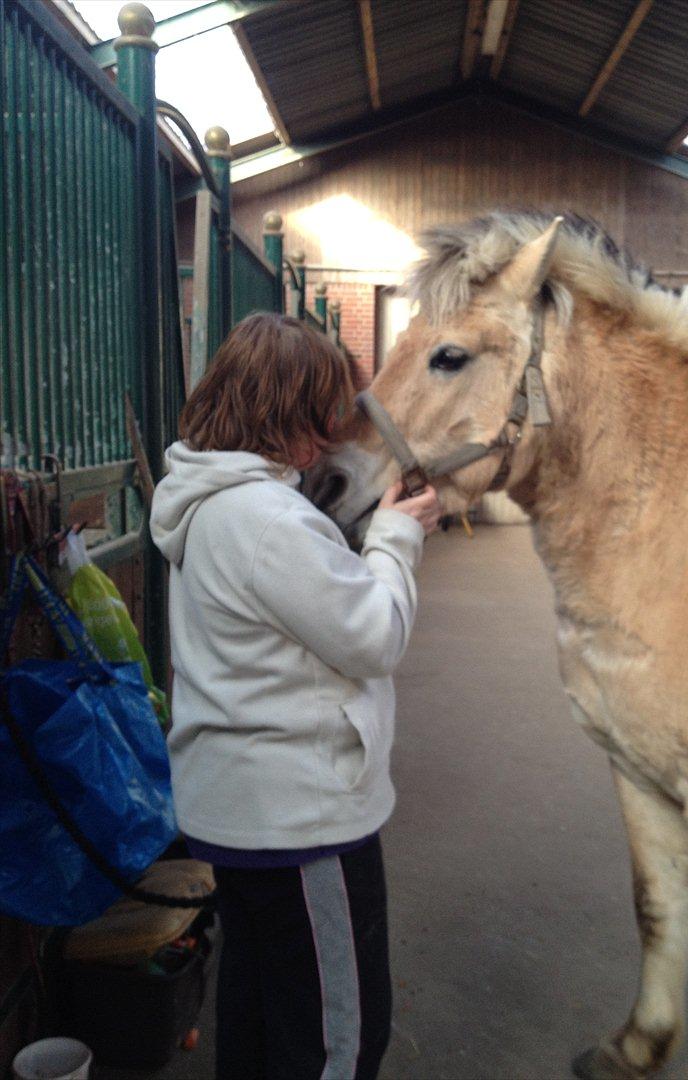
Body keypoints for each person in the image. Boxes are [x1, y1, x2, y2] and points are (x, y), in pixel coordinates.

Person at [149, 312, 442, 1080]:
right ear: (292, 411)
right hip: (300, 824)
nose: (334, 429)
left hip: (241, 818)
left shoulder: (210, 500)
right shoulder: (268, 519)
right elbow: (373, 634)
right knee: (333, 1042)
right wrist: (396, 540)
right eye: (326, 408)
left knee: (256, 1017)